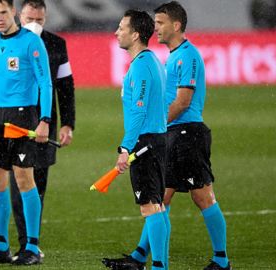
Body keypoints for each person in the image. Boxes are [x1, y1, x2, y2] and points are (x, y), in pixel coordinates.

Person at [107, 2, 232, 270]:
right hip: (171, 134)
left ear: (176, 25)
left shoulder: (187, 56)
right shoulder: (166, 57)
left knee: (202, 197)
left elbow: (183, 102)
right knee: (159, 198)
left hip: (187, 133)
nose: (156, 28)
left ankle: (221, 260)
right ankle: (141, 256)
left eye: (161, 23)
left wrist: (156, 126)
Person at [0, 0, 75, 259]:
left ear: (13, 12)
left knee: (24, 179)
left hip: (24, 116)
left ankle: (31, 246)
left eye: (3, 13)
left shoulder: (31, 42)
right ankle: (1, 246)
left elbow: (46, 84)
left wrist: (44, 120)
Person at [101, 9, 168, 270]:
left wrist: (125, 148)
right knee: (157, 206)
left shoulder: (142, 66)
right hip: (155, 140)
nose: (117, 32)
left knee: (150, 207)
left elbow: (139, 111)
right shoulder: (151, 62)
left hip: (146, 143)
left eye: (121, 27)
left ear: (136, 34)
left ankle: (159, 266)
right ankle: (156, 264)